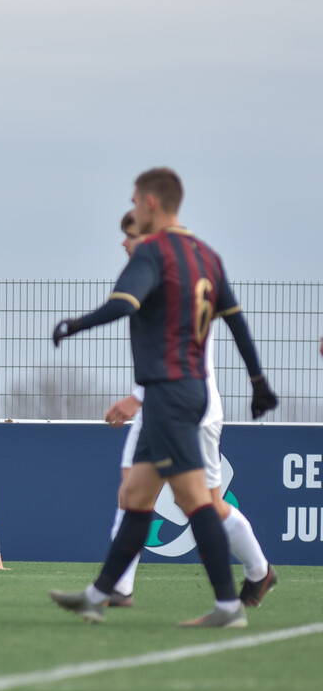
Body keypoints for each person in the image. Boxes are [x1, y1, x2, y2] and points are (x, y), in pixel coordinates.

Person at [50, 167, 278, 627]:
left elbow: (123, 305)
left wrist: (74, 324)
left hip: (171, 394)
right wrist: (258, 382)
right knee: (135, 494)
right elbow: (234, 320)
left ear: (151, 203)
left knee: (197, 501)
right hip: (184, 392)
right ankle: (98, 594)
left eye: (134, 202)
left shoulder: (153, 251)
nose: (132, 210)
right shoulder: (206, 255)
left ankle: (230, 606)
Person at [104, 211, 276, 609]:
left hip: (188, 406)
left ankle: (256, 572)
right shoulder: (164, 272)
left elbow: (175, 354)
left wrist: (137, 397)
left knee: (203, 504)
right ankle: (119, 587)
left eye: (130, 234)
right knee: (132, 491)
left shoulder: (171, 276)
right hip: (163, 404)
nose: (124, 243)